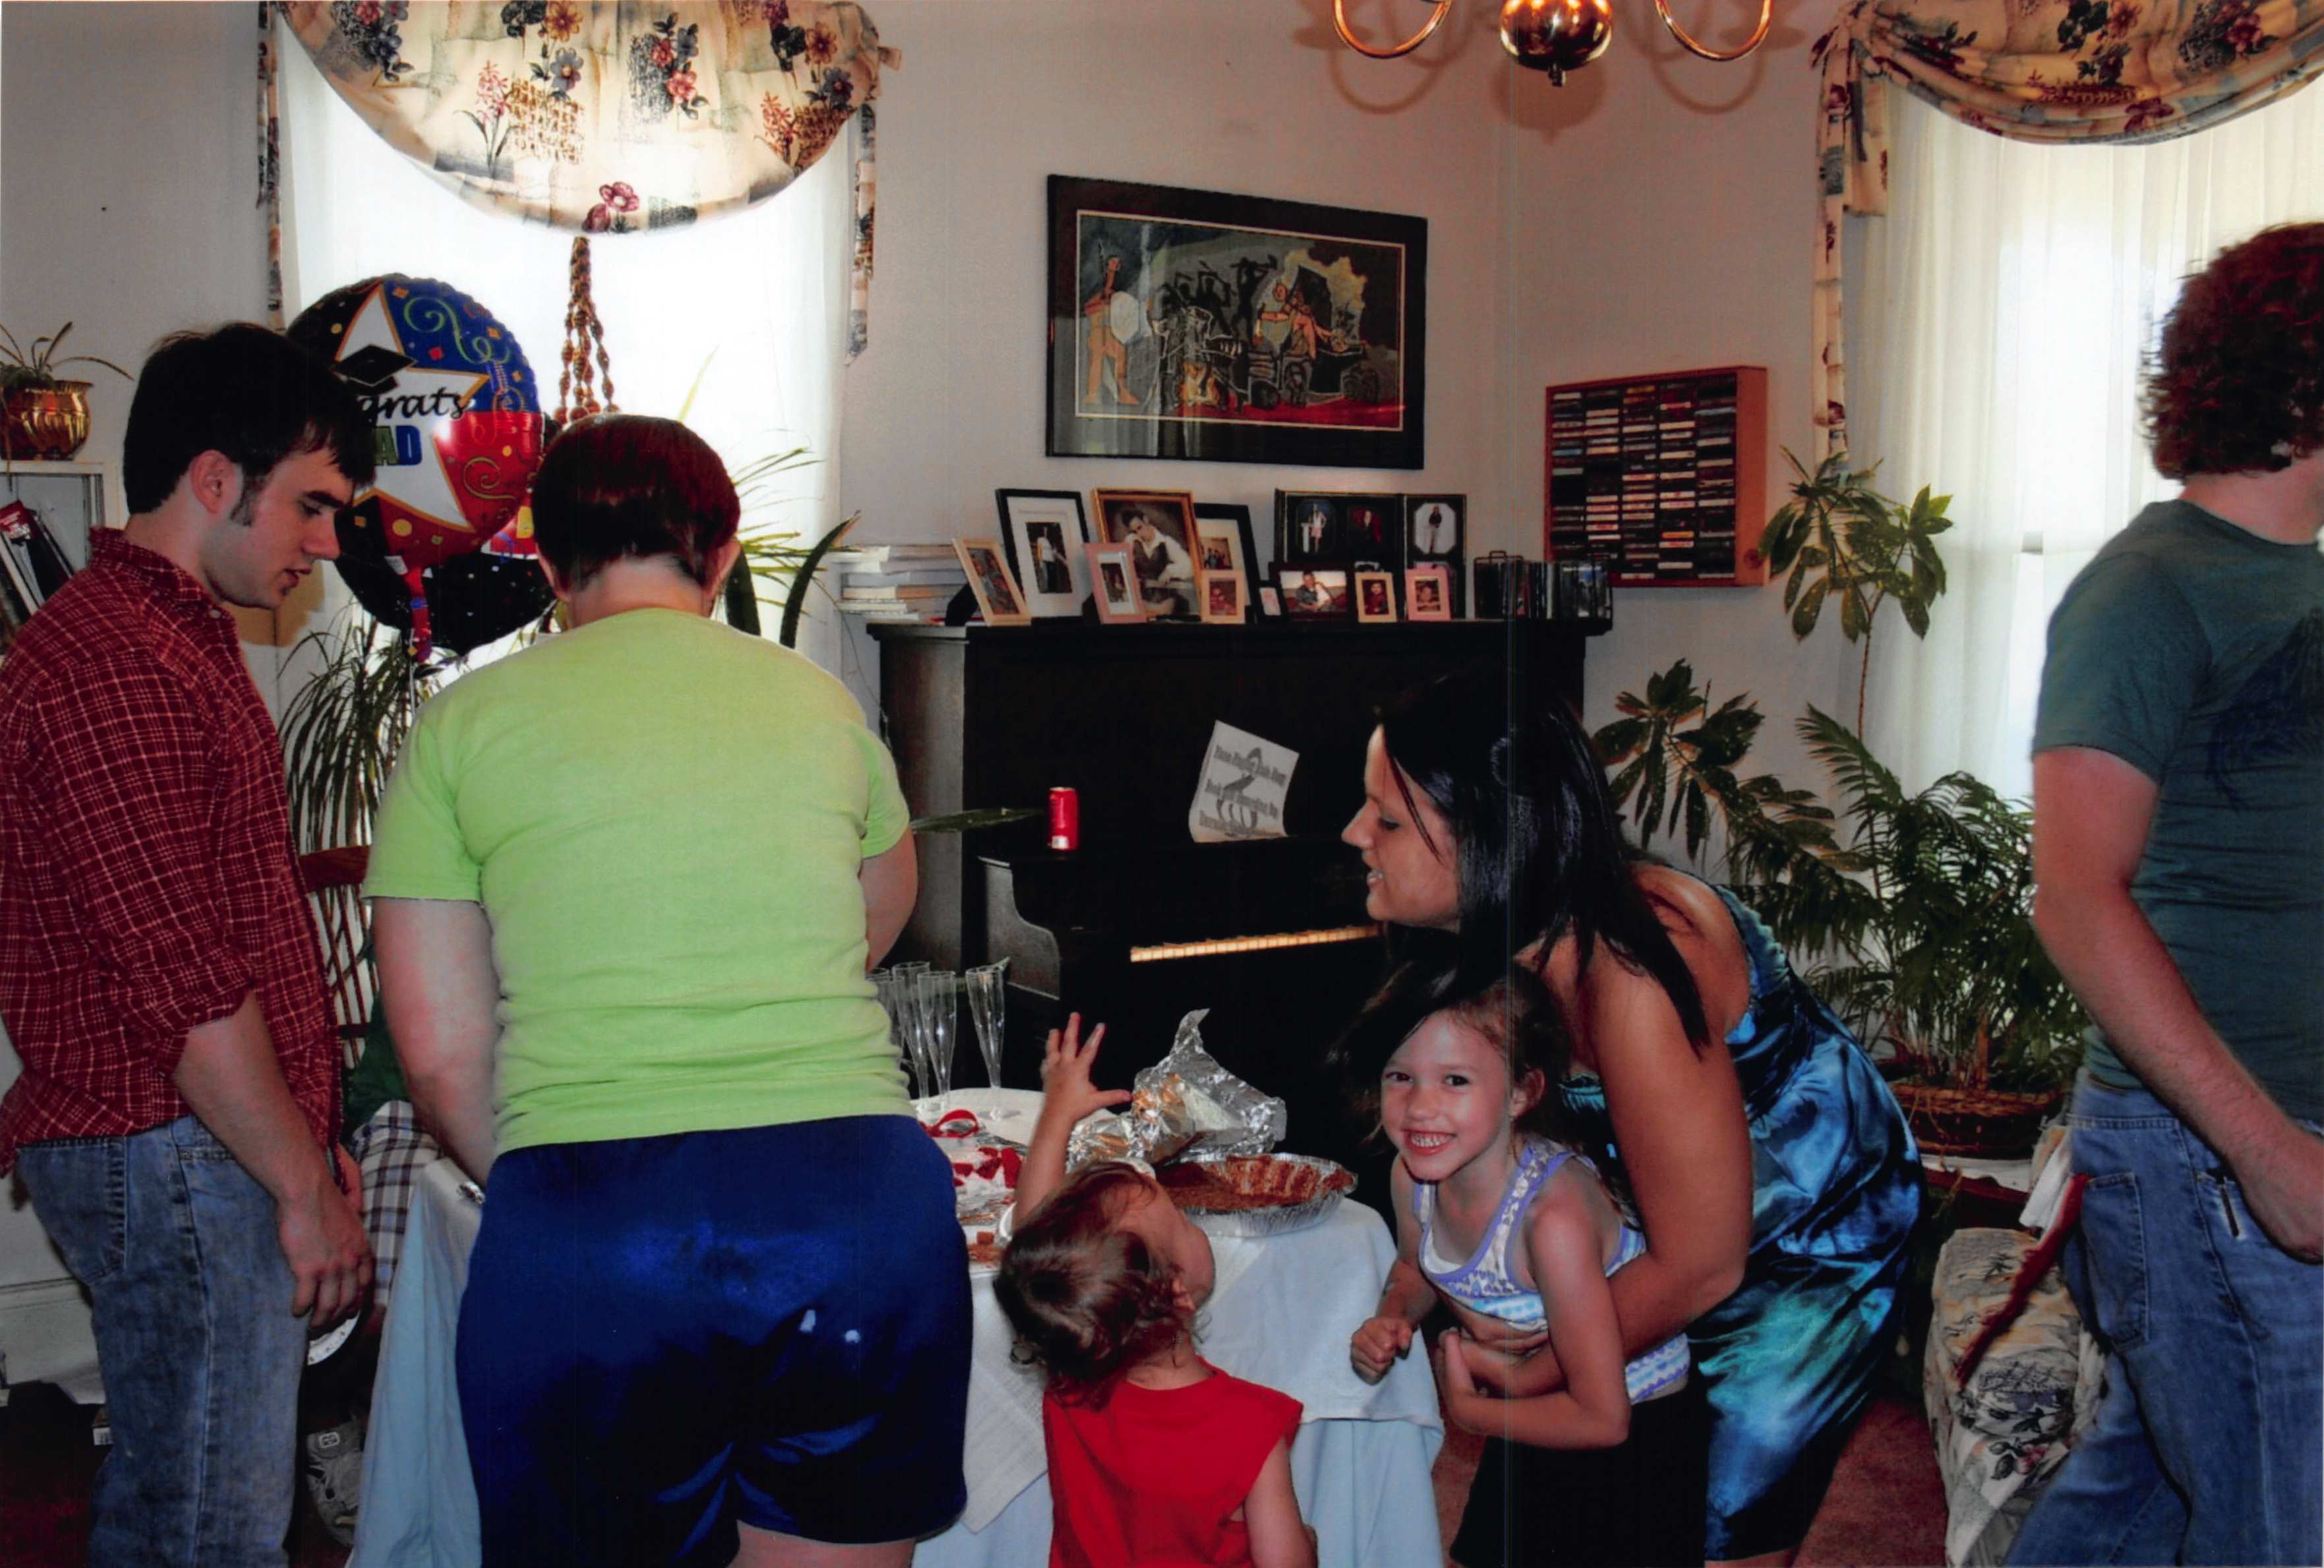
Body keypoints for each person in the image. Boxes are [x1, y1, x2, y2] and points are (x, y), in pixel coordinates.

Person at [367, 414, 968, 1568]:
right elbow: (875, 915)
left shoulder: (462, 724)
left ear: (548, 564)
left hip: (597, 1228)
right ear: (722, 552)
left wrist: (556, 1169)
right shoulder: (820, 700)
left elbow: (439, 1055)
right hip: (851, 1213)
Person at [1336, 675, 1919, 1566]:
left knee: (1718, 1521)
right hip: (1652, 1223)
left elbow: (1702, 1262)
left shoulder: (1637, 965)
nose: (1354, 834)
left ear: (1492, 836)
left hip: (1810, 1231)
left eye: (1386, 819)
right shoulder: (1496, 936)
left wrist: (1535, 1362)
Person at [0, 322, 376, 1566]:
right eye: (312, 505)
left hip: (189, 1144)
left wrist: (305, 1145)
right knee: (208, 1533)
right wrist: (302, 1185)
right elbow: (185, 984)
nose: (328, 543)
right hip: (173, 1148)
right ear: (216, 478)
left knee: (185, 1509)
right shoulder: (117, 661)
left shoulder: (162, 637)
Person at [2006, 223, 2323, 1568]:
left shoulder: (2298, 580)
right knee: (2281, 1526)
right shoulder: (2147, 587)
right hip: (2211, 1149)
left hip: (2265, 1132)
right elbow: (2074, 898)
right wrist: (2265, 1150)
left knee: (2138, 1502)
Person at [1348, 980, 1707, 1567]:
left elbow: (1603, 1418)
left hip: (1630, 1438)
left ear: (1521, 1092)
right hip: (1529, 1413)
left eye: (1454, 1080)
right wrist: (1390, 1317)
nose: (1418, 1107)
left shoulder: (1552, 1220)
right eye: (1400, 1075)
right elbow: (1414, 1267)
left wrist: (1470, 1411)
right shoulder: (1411, 1176)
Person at [995, 1017, 1317, 1568]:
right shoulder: (1249, 1425)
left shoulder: (1076, 1364)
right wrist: (1306, 1542)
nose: (1193, 1224)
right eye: (1184, 1219)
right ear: (1176, 1292)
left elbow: (1039, 1249)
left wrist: (1056, 1114)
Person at [1082, 252, 1143, 409]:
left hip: (1111, 332)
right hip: (1097, 331)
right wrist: (1105, 305)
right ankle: (1092, 395)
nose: (1115, 268)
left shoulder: (1116, 293)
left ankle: (1123, 393)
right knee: (1097, 361)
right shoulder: (1095, 290)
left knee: (1121, 356)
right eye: (1112, 264)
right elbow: (1087, 310)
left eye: (1117, 265)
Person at [1125, 509, 1193, 614]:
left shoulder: (1167, 542)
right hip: (1141, 601)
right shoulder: (1131, 541)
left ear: (1146, 520)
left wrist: (1170, 571)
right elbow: (1123, 567)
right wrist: (1131, 578)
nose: (1139, 534)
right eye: (1134, 532)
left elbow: (1190, 566)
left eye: (1140, 528)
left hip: (1164, 602)